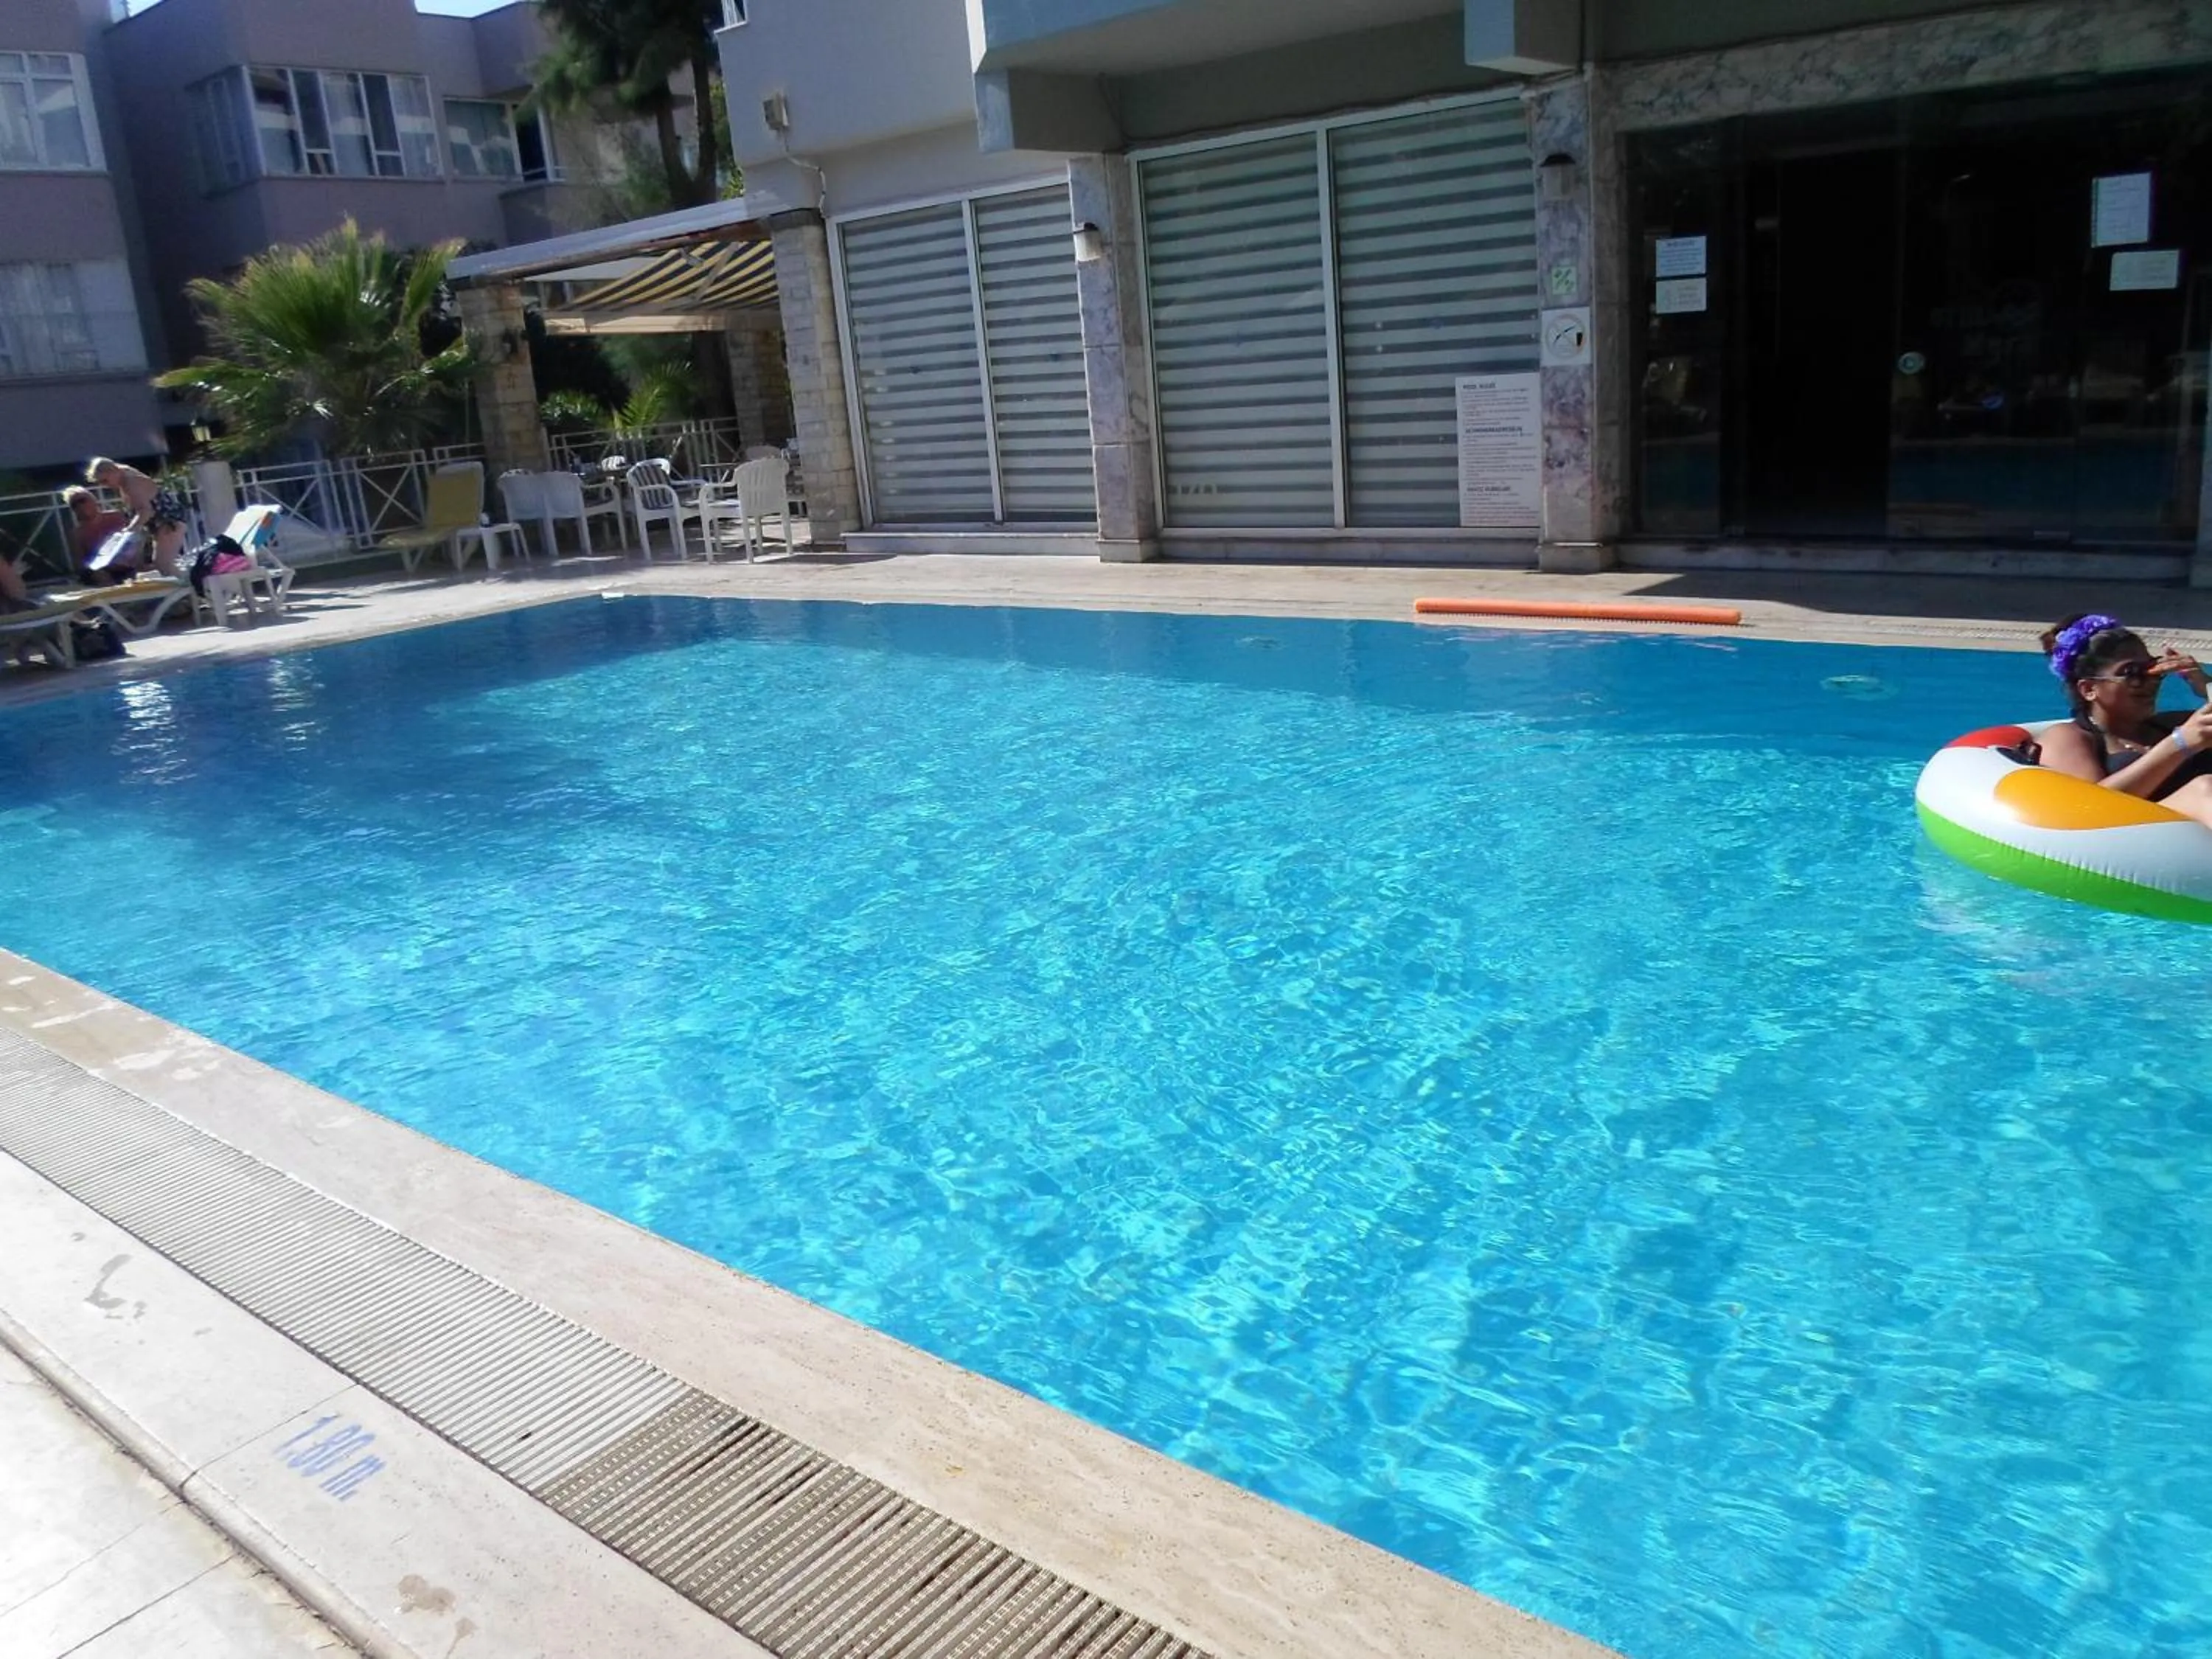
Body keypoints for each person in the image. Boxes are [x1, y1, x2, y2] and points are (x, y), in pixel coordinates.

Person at [2036, 612, 2212, 829]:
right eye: (2132, 673)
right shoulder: (2068, 738)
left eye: (2152, 670)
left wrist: (2207, 686)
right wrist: (2179, 745)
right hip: (2141, 841)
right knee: (2204, 788)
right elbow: (2087, 809)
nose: (2150, 683)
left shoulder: (2172, 724)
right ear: (2089, 689)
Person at [83, 457, 184, 577]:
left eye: (105, 480)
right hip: (161, 522)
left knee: (164, 564)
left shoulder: (131, 482)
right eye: (100, 483)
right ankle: (187, 587)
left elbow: (146, 511)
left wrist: (129, 531)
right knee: (159, 564)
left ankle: (193, 589)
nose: (105, 485)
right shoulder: (124, 475)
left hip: (169, 521)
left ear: (113, 471)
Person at [61, 486, 133, 581]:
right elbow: (80, 563)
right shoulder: (78, 533)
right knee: (101, 576)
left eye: (82, 500)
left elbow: (135, 539)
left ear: (93, 500)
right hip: (102, 570)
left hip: (127, 564)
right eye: (74, 504)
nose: (80, 506)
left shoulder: (116, 517)